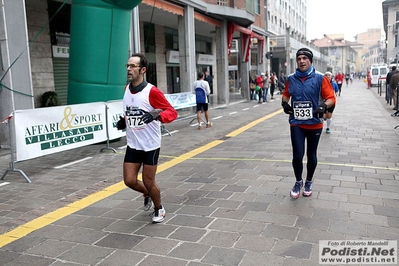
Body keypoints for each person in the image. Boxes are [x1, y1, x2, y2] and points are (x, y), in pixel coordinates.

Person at [116, 53, 178, 223]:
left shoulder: (152, 91)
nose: (129, 69)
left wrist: (156, 116)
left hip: (150, 145)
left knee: (148, 181)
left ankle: (159, 208)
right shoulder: (126, 89)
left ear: (142, 70)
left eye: (133, 66)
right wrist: (123, 121)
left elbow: (171, 112)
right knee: (129, 180)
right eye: (127, 66)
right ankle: (147, 193)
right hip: (133, 144)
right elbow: (131, 112)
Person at [281, 48, 335, 199]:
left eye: (305, 58)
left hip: (314, 124)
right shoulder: (291, 78)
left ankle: (309, 181)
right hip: (296, 123)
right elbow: (286, 94)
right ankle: (298, 181)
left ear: (310, 60)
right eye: (299, 58)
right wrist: (285, 104)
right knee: (297, 155)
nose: (302, 61)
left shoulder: (320, 78)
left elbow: (331, 98)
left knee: (311, 155)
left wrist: (323, 106)